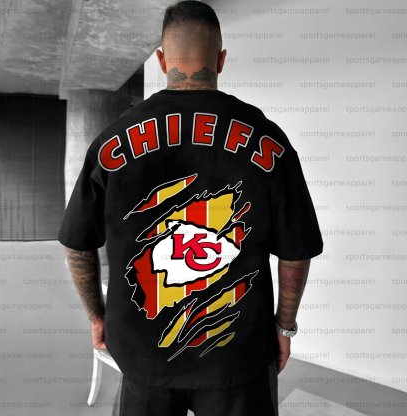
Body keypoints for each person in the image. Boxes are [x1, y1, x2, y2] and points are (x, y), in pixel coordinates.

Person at [58, 1, 324, 415]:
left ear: (162, 60)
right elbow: (296, 251)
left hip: (144, 354)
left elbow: (78, 243)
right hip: (237, 355)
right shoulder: (268, 139)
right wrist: (284, 326)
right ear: (221, 60)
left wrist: (97, 317)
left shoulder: (112, 141)